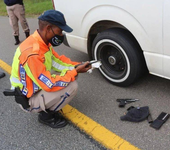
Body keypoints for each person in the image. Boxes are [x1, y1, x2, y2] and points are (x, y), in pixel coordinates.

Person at [10, 10, 91, 128]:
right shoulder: (32, 53)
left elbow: (58, 62)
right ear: (48, 28)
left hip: (34, 85)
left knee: (71, 74)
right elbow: (50, 84)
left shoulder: (41, 42)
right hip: (27, 98)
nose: (61, 35)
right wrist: (74, 71)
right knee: (72, 86)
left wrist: (77, 66)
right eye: (60, 31)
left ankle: (47, 103)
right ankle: (46, 116)